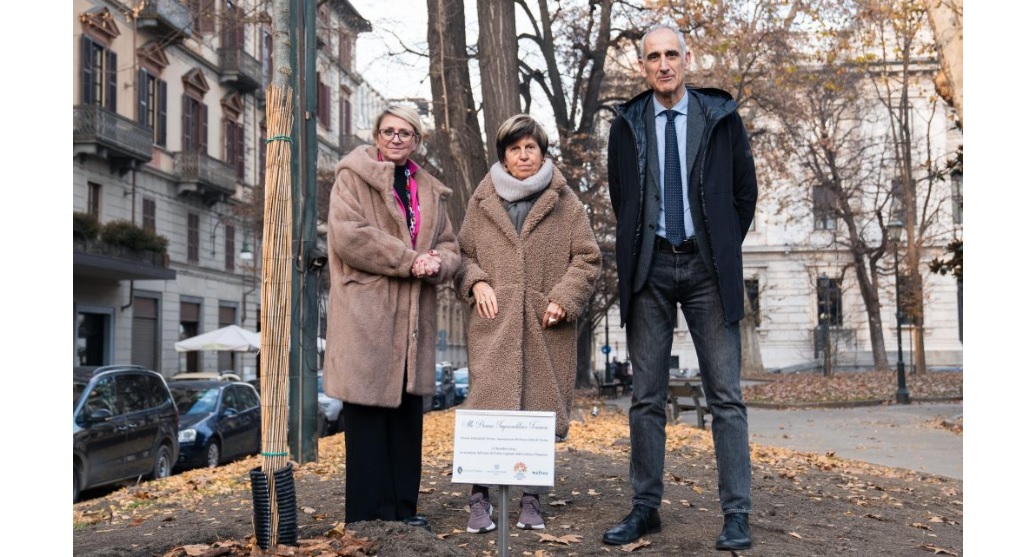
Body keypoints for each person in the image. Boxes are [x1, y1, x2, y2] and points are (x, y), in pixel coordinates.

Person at [602, 25, 758, 551]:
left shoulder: (720, 118)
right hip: (650, 270)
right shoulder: (627, 124)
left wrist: (720, 244)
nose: (664, 64)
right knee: (645, 398)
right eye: (654, 57)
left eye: (672, 55)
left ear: (687, 60)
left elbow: (743, 193)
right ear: (642, 67)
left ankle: (736, 514)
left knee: (727, 398)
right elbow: (621, 194)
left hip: (706, 269)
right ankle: (645, 509)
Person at [454, 114, 601, 534]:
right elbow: (463, 255)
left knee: (537, 410)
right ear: (504, 154)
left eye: (530, 148)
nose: (523, 156)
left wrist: (563, 298)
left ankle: (531, 500)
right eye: (515, 148)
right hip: (494, 322)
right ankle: (479, 501)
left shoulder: (565, 202)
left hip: (545, 325)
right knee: (486, 409)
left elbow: (588, 258)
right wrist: (477, 281)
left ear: (542, 152)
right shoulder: (482, 201)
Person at [323, 104, 460, 531]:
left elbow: (451, 244)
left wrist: (441, 262)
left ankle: (403, 509)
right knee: (366, 419)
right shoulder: (351, 177)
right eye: (388, 131)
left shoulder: (430, 190)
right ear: (376, 136)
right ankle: (366, 517)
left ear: (417, 141)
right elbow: (350, 237)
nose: (396, 138)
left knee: (405, 421)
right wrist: (409, 260)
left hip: (414, 322)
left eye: (406, 133)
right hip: (366, 318)